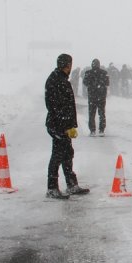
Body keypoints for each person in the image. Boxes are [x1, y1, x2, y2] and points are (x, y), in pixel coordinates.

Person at [45, 53, 90, 199]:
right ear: (68, 65)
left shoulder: (60, 79)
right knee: (58, 156)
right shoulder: (56, 81)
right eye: (70, 64)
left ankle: (71, 184)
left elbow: (65, 106)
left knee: (67, 154)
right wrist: (65, 126)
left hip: (62, 125)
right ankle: (52, 188)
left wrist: (71, 125)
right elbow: (55, 106)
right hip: (58, 126)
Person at [82, 58, 110, 136]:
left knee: (91, 114)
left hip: (92, 96)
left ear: (92, 64)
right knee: (102, 113)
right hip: (101, 96)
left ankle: (92, 131)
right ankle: (101, 130)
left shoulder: (88, 73)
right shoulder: (104, 73)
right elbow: (107, 83)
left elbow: (85, 82)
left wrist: (92, 85)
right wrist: (101, 85)